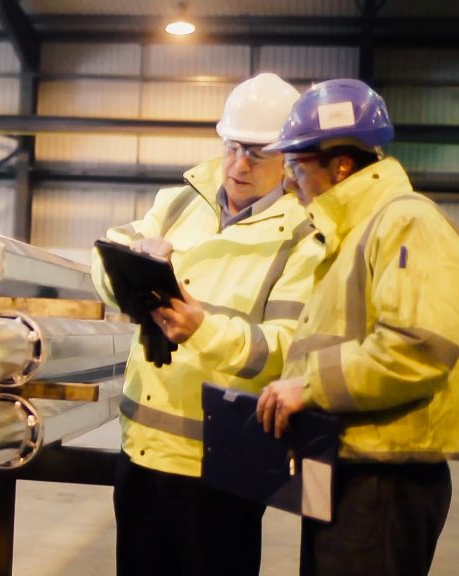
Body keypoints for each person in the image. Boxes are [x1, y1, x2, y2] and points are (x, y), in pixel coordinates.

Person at [91, 72, 324, 576]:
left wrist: (202, 328)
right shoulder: (179, 203)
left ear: (286, 157)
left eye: (258, 152)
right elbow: (102, 260)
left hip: (223, 462)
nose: (240, 164)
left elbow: (285, 350)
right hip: (143, 450)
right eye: (233, 146)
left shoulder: (301, 238)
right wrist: (134, 268)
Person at [257, 79, 459, 576]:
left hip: (386, 479)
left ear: (341, 165)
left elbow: (419, 347)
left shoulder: (406, 223)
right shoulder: (351, 234)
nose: (290, 182)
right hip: (349, 466)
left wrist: (309, 385)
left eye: (297, 166)